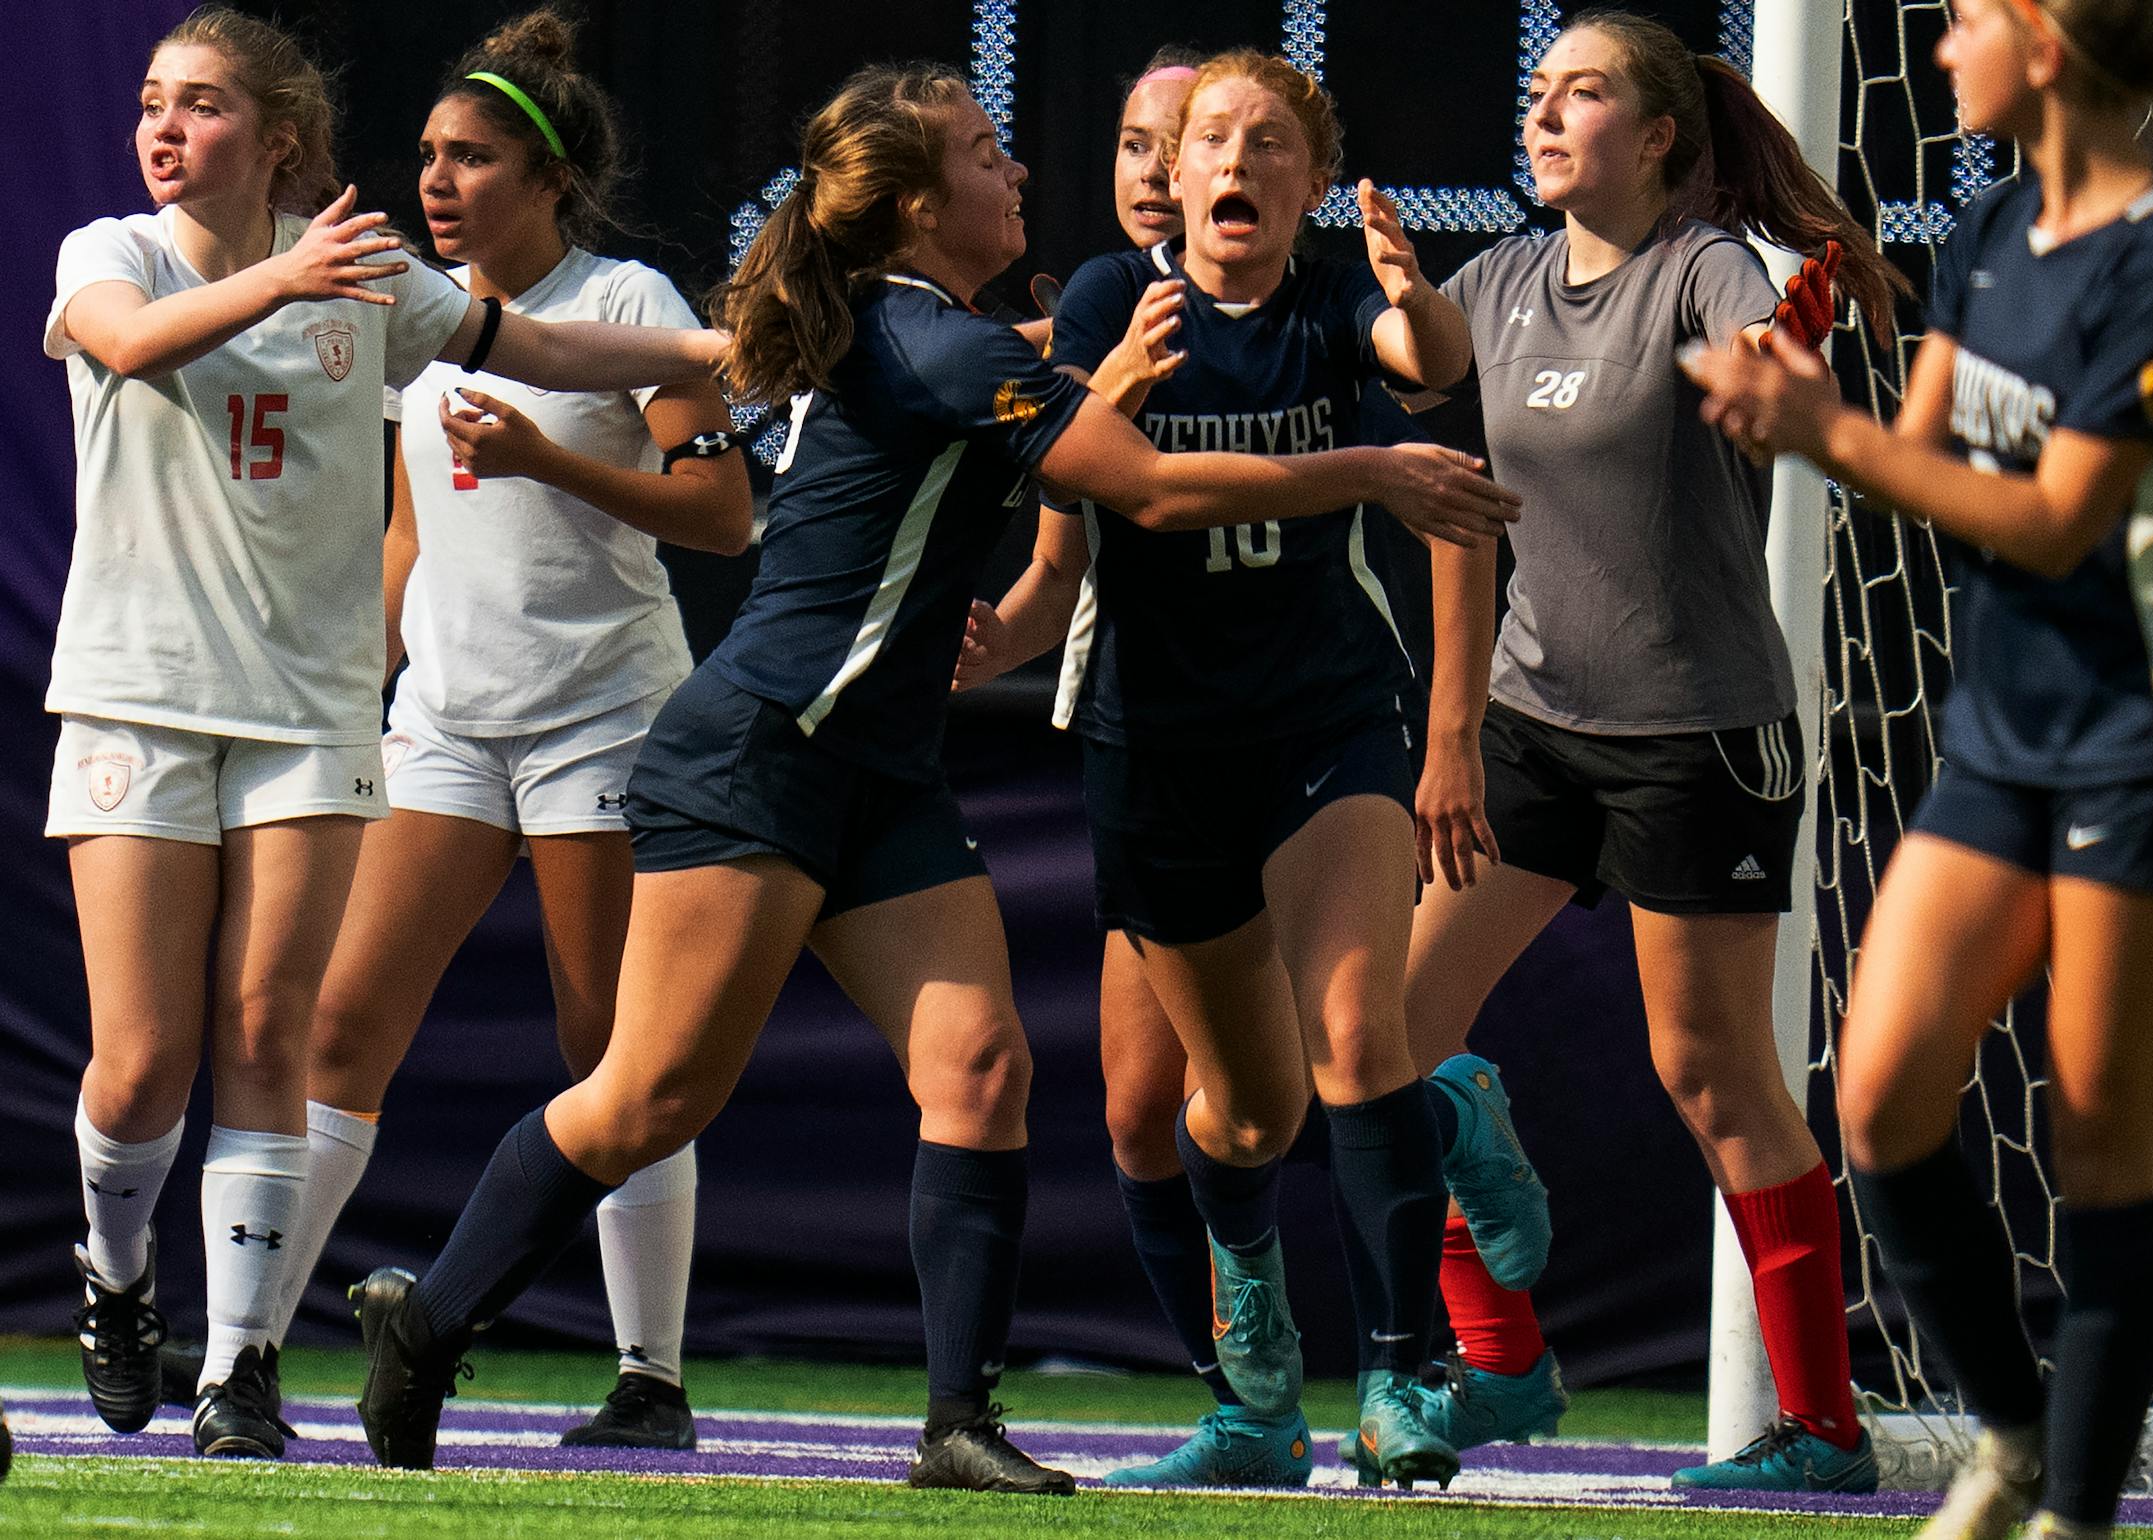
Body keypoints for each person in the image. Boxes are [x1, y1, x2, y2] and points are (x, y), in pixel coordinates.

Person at [345, 62, 1519, 1492]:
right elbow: (1140, 486)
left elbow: (1067, 378)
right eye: (984, 154)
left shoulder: (947, 333)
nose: (1018, 172)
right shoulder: (937, 347)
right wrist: (1370, 474)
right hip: (765, 753)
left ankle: (958, 1425)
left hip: (883, 774)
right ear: (916, 209)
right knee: (647, 1096)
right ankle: (432, 1322)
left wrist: (1142, 369)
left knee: (981, 1068)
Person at [49, 3, 722, 1461]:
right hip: (222, 698)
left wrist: (754, 343)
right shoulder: (117, 254)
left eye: (203, 104)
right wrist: (294, 274)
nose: (164, 125)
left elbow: (560, 365)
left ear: (275, 140)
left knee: (316, 1029)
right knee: (154, 1060)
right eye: (153, 100)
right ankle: (126, 1283)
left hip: (450, 709)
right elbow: (138, 346)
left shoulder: (412, 290)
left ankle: (249, 1369)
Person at [957, 49, 1552, 1490]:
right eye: (1203, 139)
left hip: (1323, 728)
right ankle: (1265, 1382)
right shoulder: (1109, 306)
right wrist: (991, 633)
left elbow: (1426, 369)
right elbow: (1085, 496)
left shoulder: (1337, 299)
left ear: (1305, 182)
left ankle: (1405, 1381)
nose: (1224, 162)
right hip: (1159, 752)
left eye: (1264, 142)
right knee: (1233, 1115)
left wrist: (1416, 311)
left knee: (1357, 1037)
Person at [1397, 7, 1910, 1491]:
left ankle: (1819, 1429)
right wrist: (1335, 285)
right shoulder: (1494, 279)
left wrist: (1788, 346)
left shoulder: (1704, 270)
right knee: (1383, 1046)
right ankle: (1498, 1362)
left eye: (1587, 94)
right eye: (1539, 91)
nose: (1546, 115)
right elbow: (1407, 347)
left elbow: (1761, 355)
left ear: (1662, 135)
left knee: (1715, 1075)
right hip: (1529, 731)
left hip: (1701, 738)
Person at [1684, 1, 2153, 1532]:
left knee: (2100, 1134)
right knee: (1879, 1100)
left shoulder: (2151, 265)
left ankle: (2079, 1508)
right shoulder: (2001, 220)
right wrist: (1798, 401)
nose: (1943, 44)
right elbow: (1937, 476)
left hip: (2137, 748)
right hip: (2003, 740)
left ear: (2050, 39)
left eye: (1967, 19)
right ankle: (2013, 1439)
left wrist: (1821, 428)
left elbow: (2054, 520)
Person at [257, 8, 748, 1451]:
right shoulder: (416, 315)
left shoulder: (638, 300)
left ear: (550, 180)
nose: (439, 177)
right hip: (449, 725)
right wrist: (365, 679)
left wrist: (546, 455)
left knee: (613, 1045)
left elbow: (724, 516)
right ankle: (246, 1355)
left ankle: (648, 1378)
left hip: (606, 717)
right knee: (341, 1021)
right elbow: (411, 531)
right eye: (427, 154)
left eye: (472, 156)